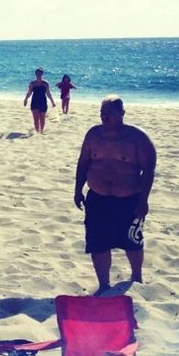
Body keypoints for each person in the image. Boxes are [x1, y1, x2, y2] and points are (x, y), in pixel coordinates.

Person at [74, 97, 156, 292]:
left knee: (132, 241)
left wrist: (143, 200)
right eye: (102, 112)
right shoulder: (93, 135)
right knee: (98, 242)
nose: (105, 116)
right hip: (97, 198)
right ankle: (104, 284)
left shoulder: (137, 138)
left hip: (128, 199)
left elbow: (149, 170)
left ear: (122, 113)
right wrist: (78, 189)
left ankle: (136, 277)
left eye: (109, 113)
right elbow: (83, 162)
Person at [23, 68, 55, 133]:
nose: (39, 75)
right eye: (37, 73)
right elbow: (29, 93)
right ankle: (37, 132)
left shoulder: (45, 83)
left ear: (42, 74)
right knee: (36, 119)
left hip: (43, 102)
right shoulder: (32, 83)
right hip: (34, 102)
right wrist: (25, 99)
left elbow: (48, 93)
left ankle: (42, 131)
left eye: (40, 73)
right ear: (35, 74)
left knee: (42, 119)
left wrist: (52, 102)